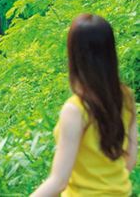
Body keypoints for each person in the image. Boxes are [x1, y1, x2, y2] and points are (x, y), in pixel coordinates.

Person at [31, 14, 137, 196]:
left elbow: (59, 182)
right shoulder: (126, 97)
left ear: (74, 57)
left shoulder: (75, 110)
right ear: (111, 53)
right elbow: (130, 160)